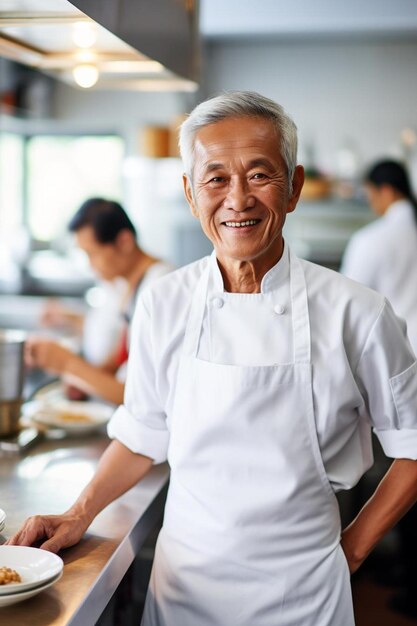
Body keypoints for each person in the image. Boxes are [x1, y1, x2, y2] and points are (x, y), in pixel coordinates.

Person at [7, 92, 417, 626]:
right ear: (189, 193)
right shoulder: (164, 302)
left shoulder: (356, 312)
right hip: (185, 594)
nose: (238, 198)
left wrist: (353, 549)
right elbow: (142, 433)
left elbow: (412, 446)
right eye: (216, 178)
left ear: (293, 188)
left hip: (304, 597)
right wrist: (78, 513)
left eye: (260, 175)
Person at [341, 159, 417, 620]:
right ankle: (407, 573)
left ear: (383, 190)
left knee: (400, 470)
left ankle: (391, 571)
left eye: (370, 193)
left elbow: (348, 307)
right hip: (405, 365)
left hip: (397, 367)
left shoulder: (374, 239)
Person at [25, 198, 173, 405]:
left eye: (92, 254)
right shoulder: (130, 285)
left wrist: (68, 364)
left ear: (124, 242)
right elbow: (122, 357)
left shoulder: (161, 287)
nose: (90, 266)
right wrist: (84, 380)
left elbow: (144, 397)